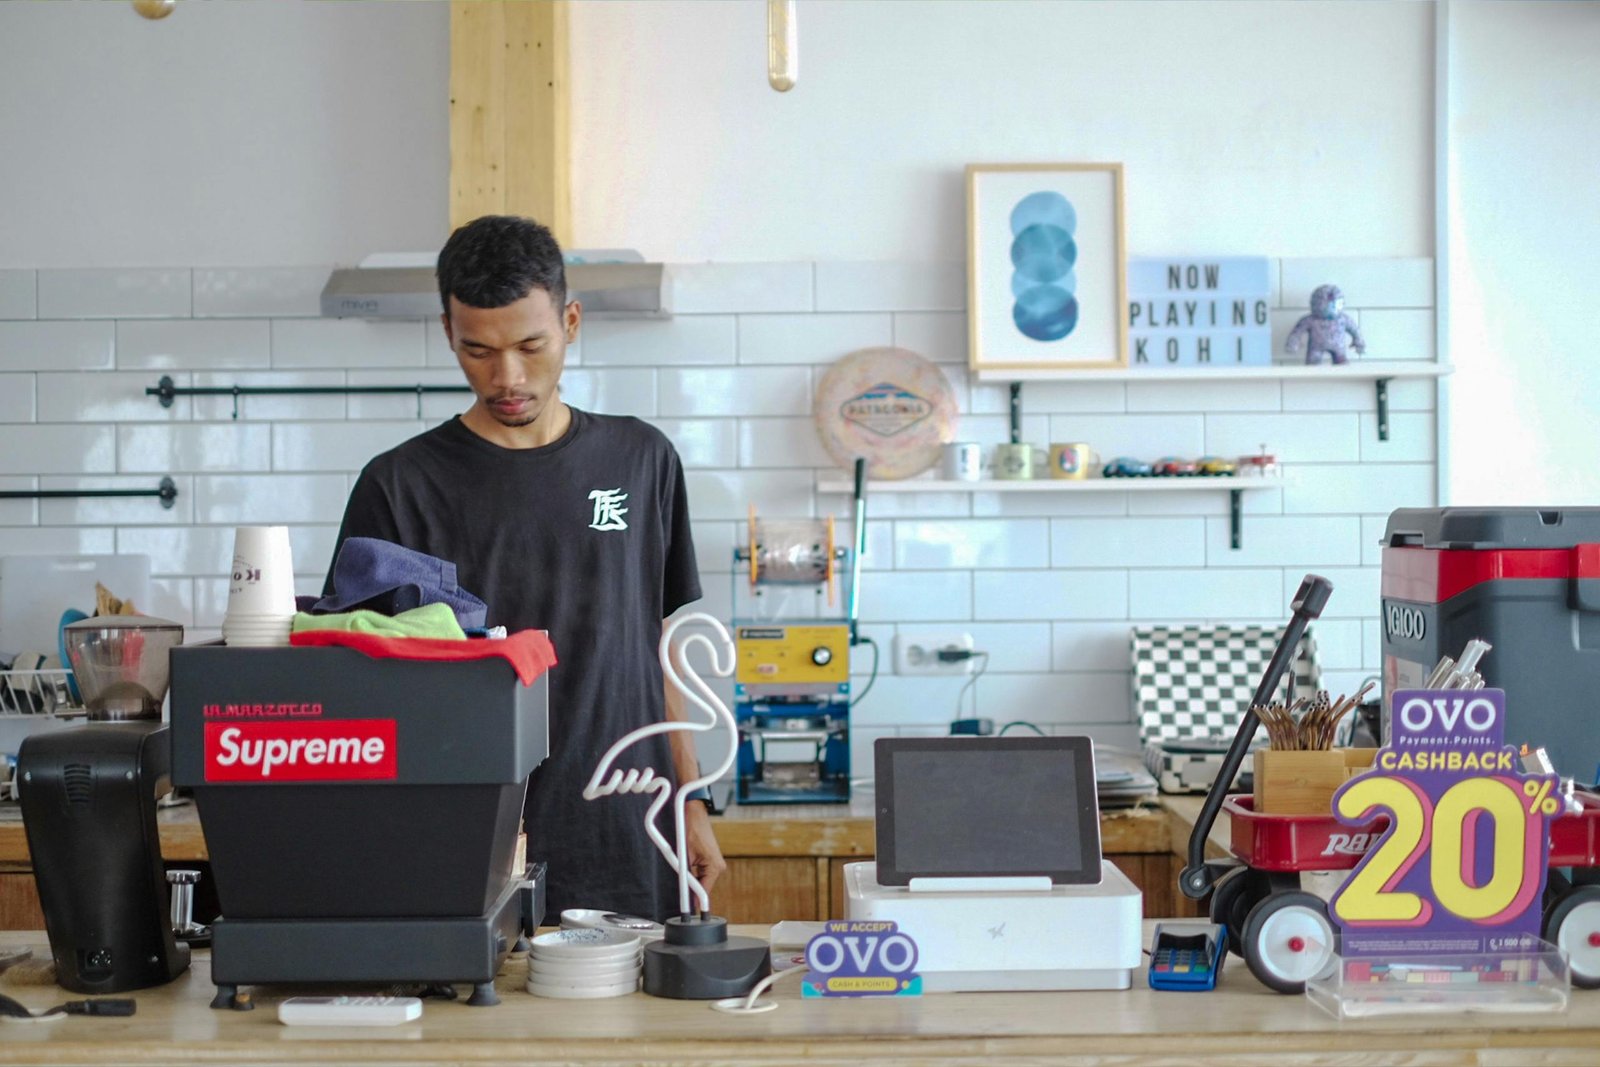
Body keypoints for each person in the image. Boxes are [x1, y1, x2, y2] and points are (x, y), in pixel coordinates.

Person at [323, 214, 725, 921]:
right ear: (448, 332)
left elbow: (654, 647)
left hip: (628, 827)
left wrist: (690, 803)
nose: (506, 377)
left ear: (571, 321)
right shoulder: (399, 486)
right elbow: (364, 688)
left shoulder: (640, 462)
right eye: (477, 350)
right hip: (464, 840)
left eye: (530, 345)